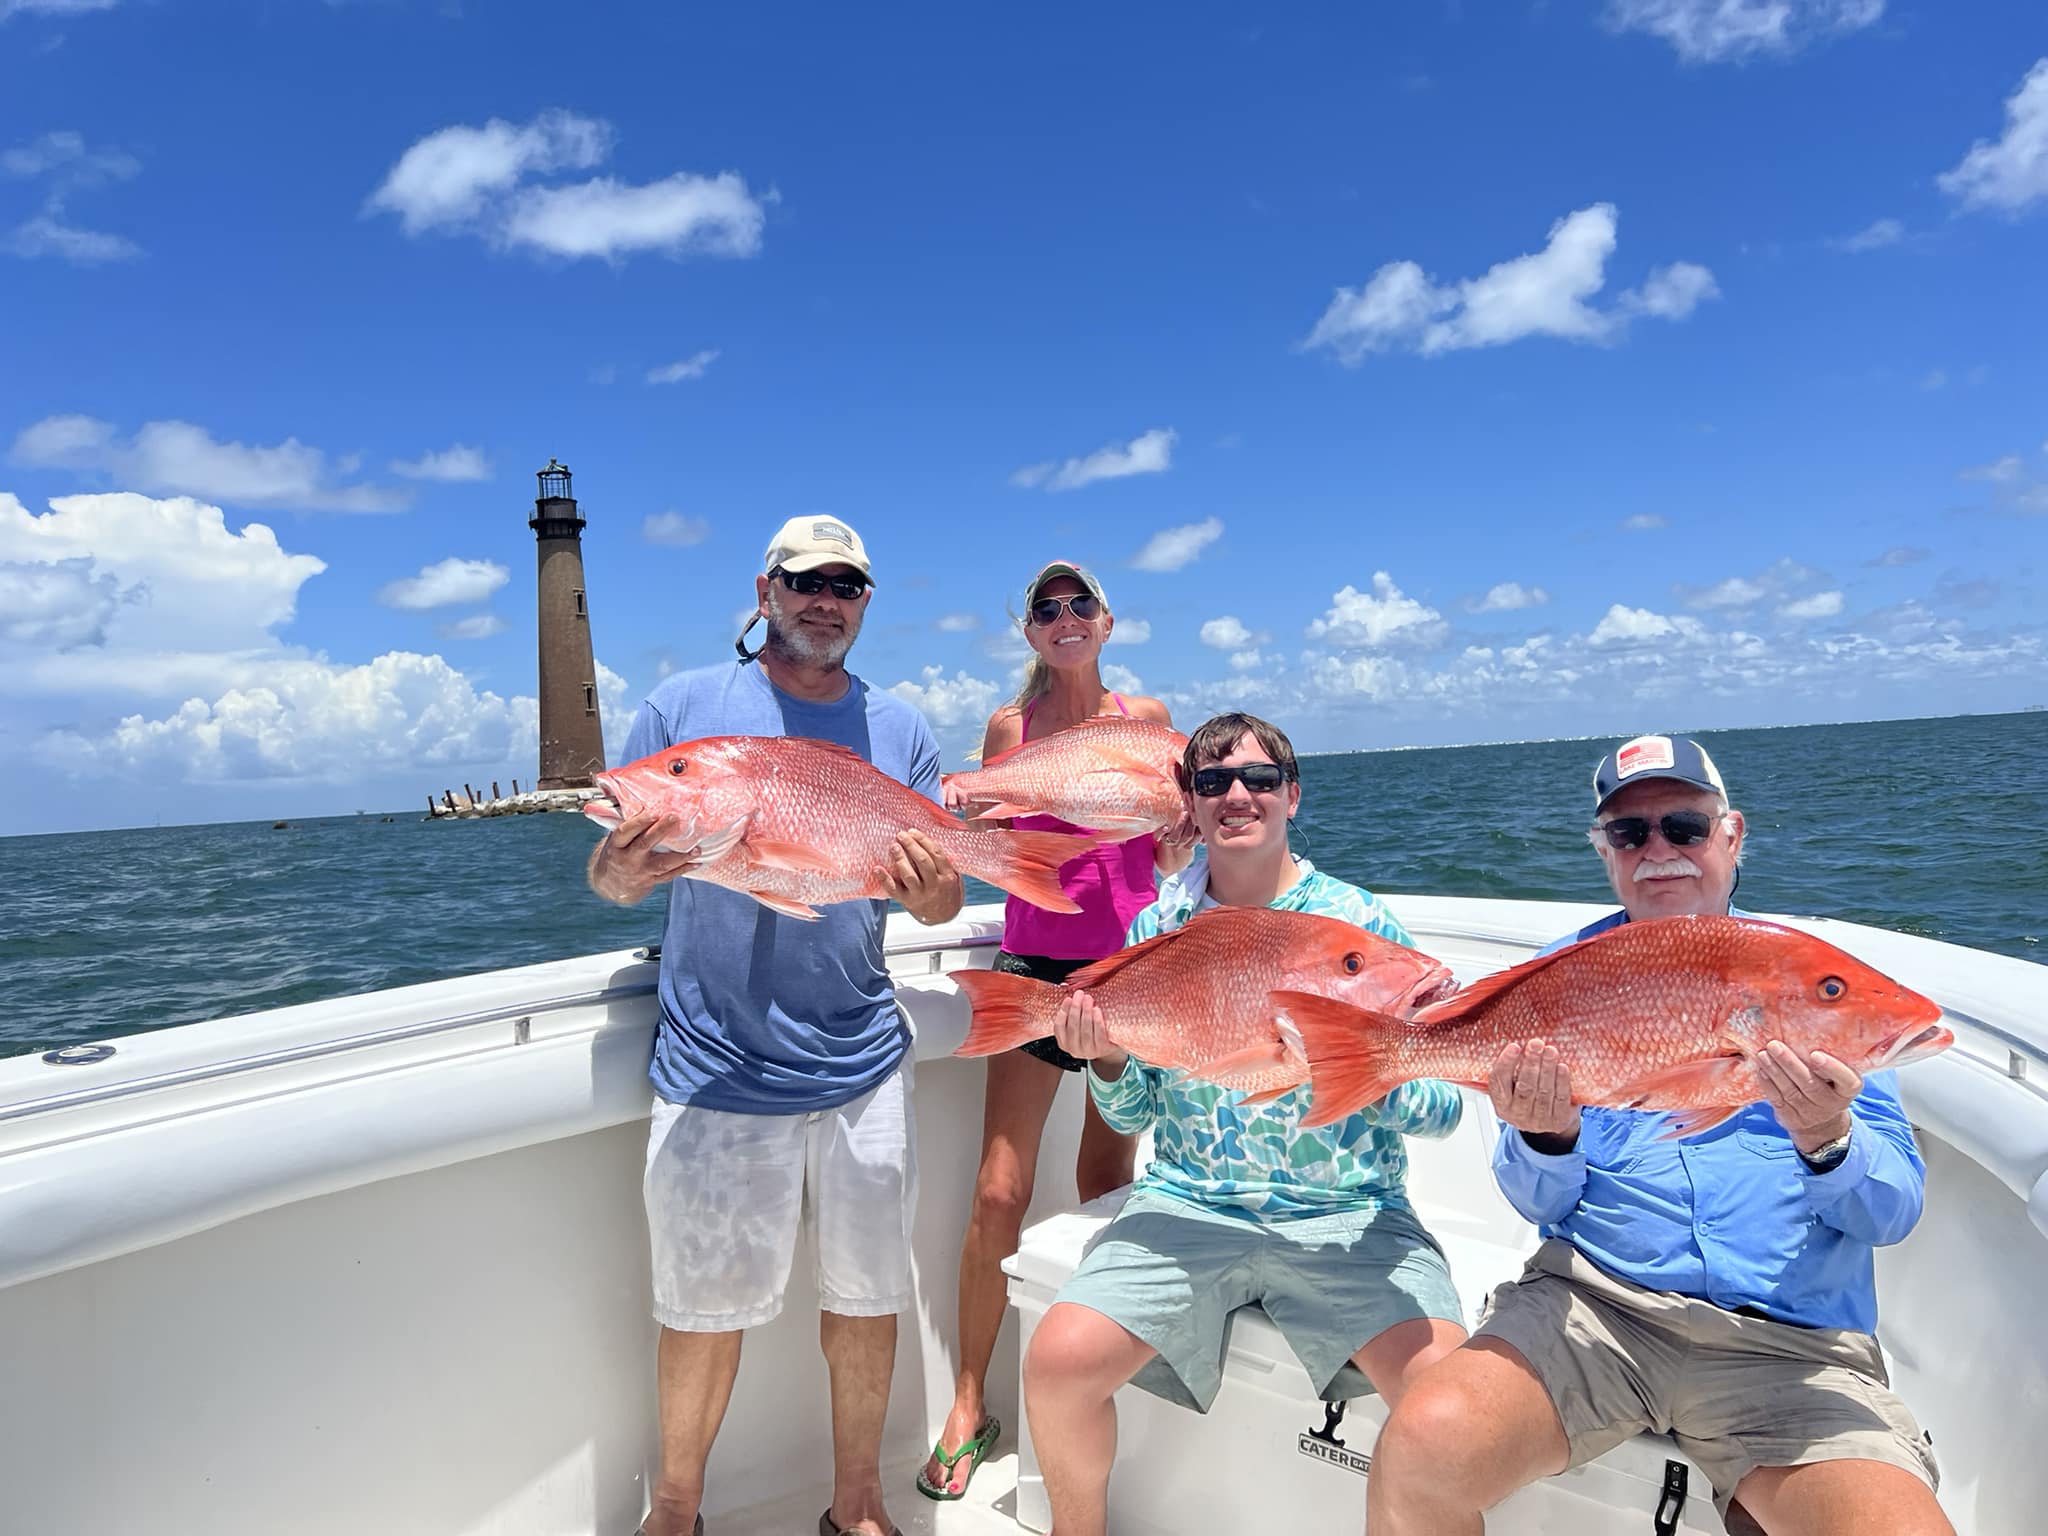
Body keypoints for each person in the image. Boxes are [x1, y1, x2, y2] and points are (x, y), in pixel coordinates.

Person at [1367, 734, 1952, 1536]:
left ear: (1732, 834)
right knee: (1419, 1449)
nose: (1659, 851)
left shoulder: (1806, 977)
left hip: (1788, 1347)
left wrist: (1827, 1136)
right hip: (1594, 1308)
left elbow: (1891, 1215)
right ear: (1605, 852)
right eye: (1630, 832)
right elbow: (1534, 1200)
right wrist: (1545, 1138)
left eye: (1684, 826)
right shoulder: (1558, 975)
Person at [589, 515, 966, 1536]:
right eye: (804, 582)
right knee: (698, 1312)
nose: (823, 600)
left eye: (844, 585)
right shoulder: (683, 709)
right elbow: (612, 873)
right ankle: (675, 1510)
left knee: (867, 1294)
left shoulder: (902, 729)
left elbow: (934, 907)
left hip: (860, 1059)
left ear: (864, 604)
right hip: (716, 1062)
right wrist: (618, 869)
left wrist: (936, 891)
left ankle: (856, 1506)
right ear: (764, 592)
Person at [1022, 712, 1467, 1536]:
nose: (1237, 796)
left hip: (1349, 1213)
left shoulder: (1361, 930)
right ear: (1188, 805)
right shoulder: (1158, 928)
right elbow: (1137, 1110)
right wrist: (1107, 1061)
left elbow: (1442, 1109)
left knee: (1452, 1407)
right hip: (1189, 1203)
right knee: (1055, 1362)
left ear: (1292, 796)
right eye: (1213, 782)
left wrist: (1368, 1066)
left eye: (1260, 780)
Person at [920, 559, 1191, 1501]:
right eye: (1048, 608)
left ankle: (1084, 1379)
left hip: (1131, 973)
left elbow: (1165, 844)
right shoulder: (1008, 730)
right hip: (1032, 964)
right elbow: (994, 839)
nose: (1066, 617)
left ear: (1108, 622)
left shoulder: (1148, 721)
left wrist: (1175, 840)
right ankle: (967, 1399)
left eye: (1082, 604)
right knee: (1000, 1188)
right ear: (1030, 632)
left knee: (1102, 1180)